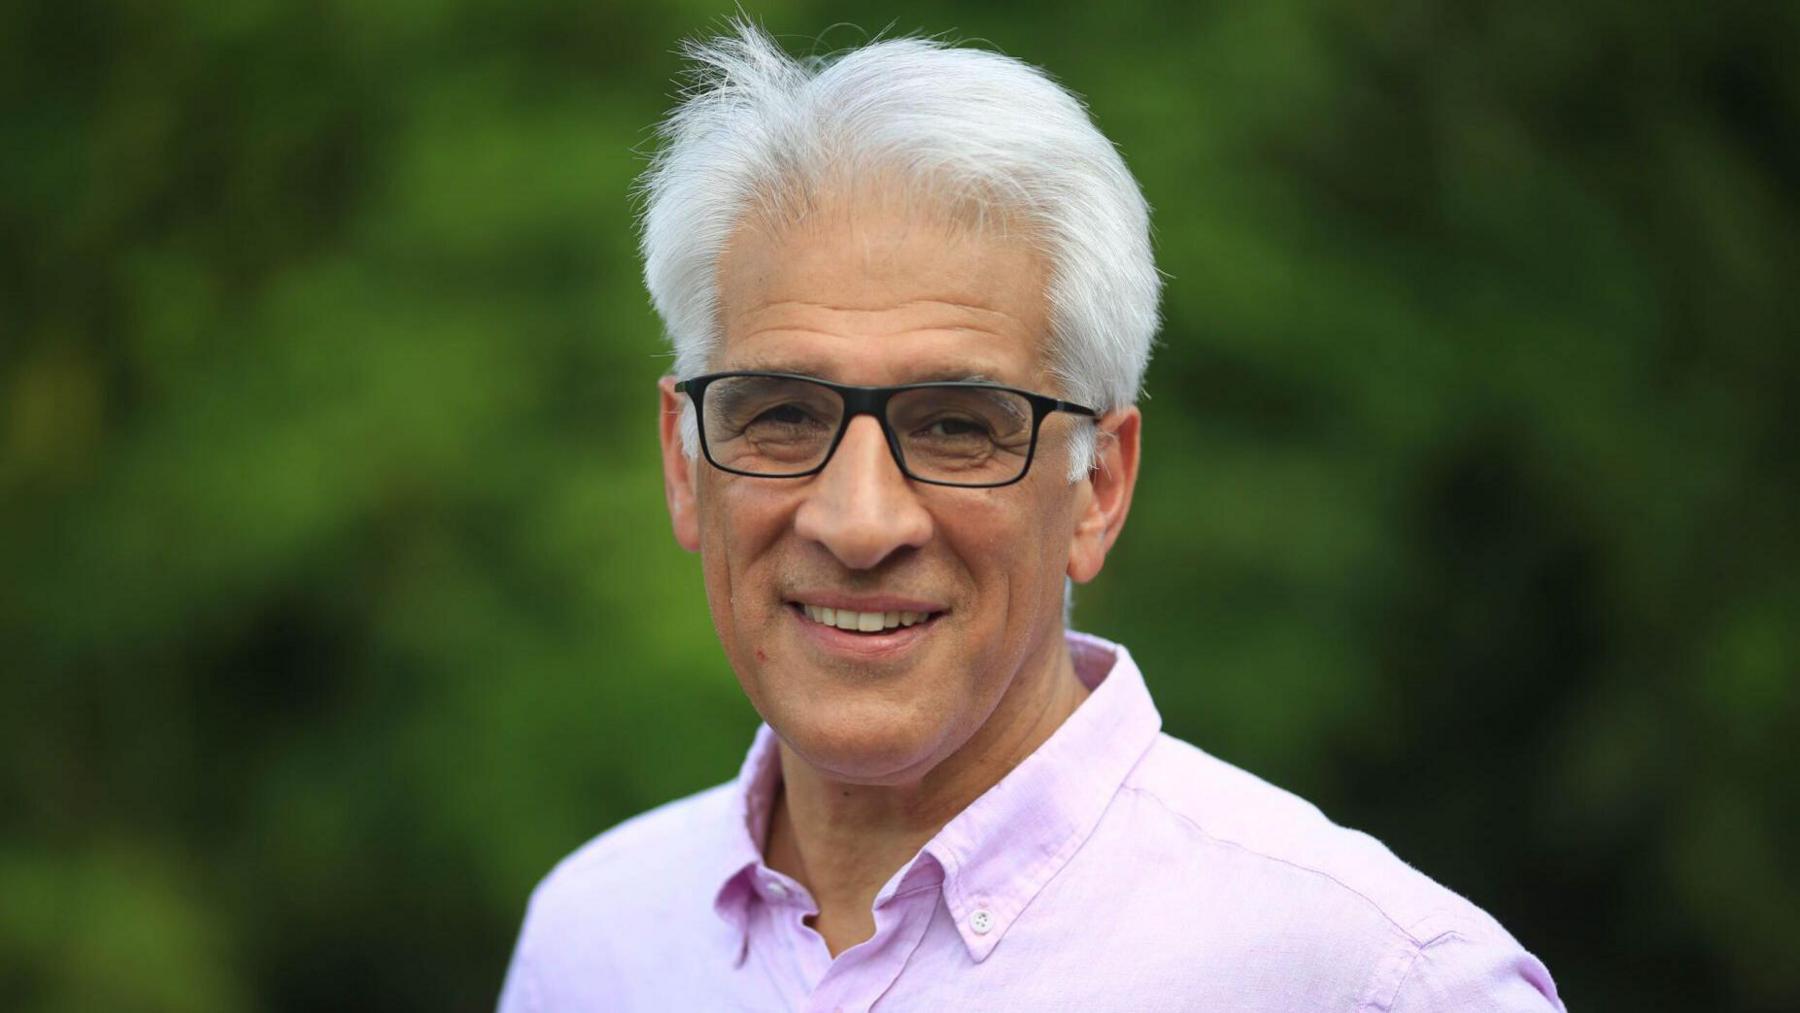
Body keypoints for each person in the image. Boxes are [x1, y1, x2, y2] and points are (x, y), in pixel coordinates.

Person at [498, 22, 1564, 1013]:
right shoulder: (596, 940)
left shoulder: (1371, 979)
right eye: (780, 412)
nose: (859, 520)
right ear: (685, 466)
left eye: (959, 425)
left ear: (1099, 485)